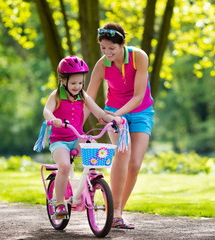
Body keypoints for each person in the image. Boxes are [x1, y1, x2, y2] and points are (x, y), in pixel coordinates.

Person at [87, 23, 154, 229]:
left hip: (140, 112)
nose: (107, 53)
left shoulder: (139, 57)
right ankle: (115, 213)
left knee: (134, 164)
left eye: (111, 49)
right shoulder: (101, 65)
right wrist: (75, 126)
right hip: (114, 111)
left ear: (122, 44)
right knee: (122, 153)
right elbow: (88, 97)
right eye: (103, 48)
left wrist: (114, 115)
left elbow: (138, 96)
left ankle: (117, 212)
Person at [43, 56, 122, 218]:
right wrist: (53, 119)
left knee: (93, 148)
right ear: (63, 80)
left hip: (77, 137)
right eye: (73, 83)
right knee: (64, 166)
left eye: (80, 83)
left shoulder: (83, 96)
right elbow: (47, 111)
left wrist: (113, 120)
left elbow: (99, 112)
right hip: (59, 141)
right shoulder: (56, 95)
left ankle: (90, 183)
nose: (77, 87)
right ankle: (59, 203)